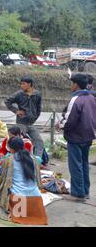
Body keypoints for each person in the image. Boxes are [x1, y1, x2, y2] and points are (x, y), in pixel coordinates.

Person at [57, 73, 96, 201]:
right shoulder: (91, 97)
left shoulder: (76, 99)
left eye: (71, 83)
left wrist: (60, 125)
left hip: (76, 136)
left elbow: (69, 120)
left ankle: (78, 194)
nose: (71, 86)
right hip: (88, 136)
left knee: (75, 165)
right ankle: (85, 191)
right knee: (84, 164)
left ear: (76, 84)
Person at [0, 137, 47, 225]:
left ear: (12, 149)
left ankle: (14, 210)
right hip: (36, 199)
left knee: (3, 188)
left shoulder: (9, 160)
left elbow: (2, 180)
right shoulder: (34, 159)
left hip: (18, 200)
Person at [4, 77, 45, 157]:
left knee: (39, 141)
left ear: (29, 84)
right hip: (21, 123)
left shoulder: (37, 94)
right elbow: (7, 101)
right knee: (20, 141)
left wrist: (35, 117)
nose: (21, 86)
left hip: (31, 124)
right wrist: (16, 111)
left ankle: (37, 160)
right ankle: (17, 157)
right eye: (21, 83)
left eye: (23, 84)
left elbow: (38, 108)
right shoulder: (19, 94)